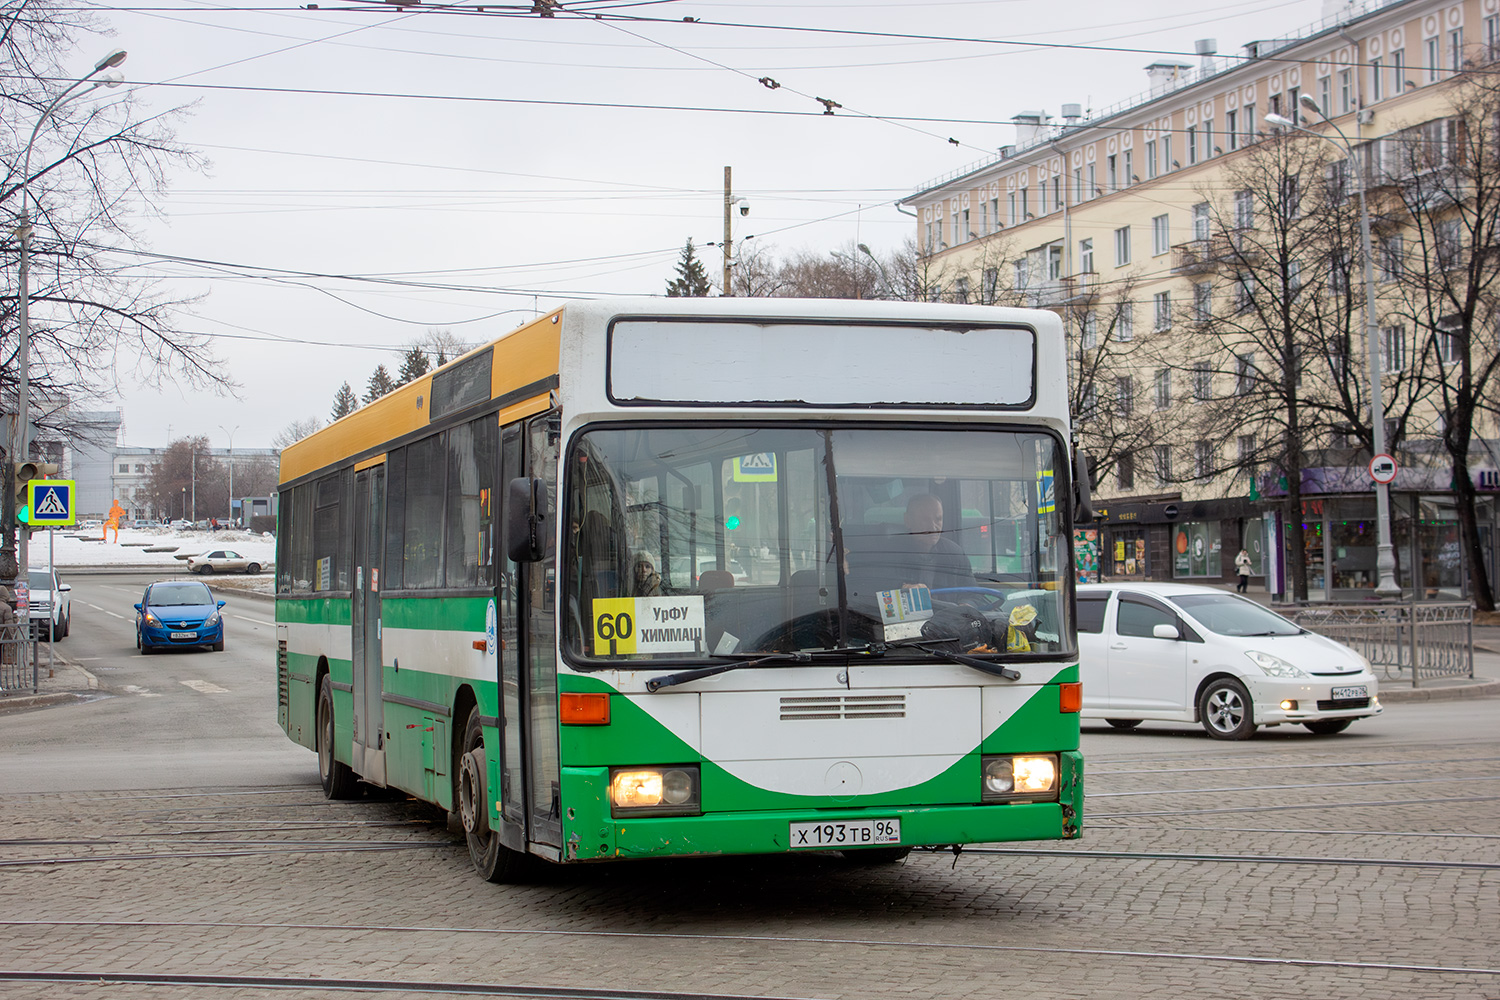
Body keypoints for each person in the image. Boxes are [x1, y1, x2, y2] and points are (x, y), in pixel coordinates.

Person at [889, 494, 975, 592]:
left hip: (948, 608)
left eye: (938, 519)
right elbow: (875, 590)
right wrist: (903, 588)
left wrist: (965, 605)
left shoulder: (955, 554)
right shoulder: (888, 553)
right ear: (908, 520)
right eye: (925, 520)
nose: (933, 527)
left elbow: (974, 594)